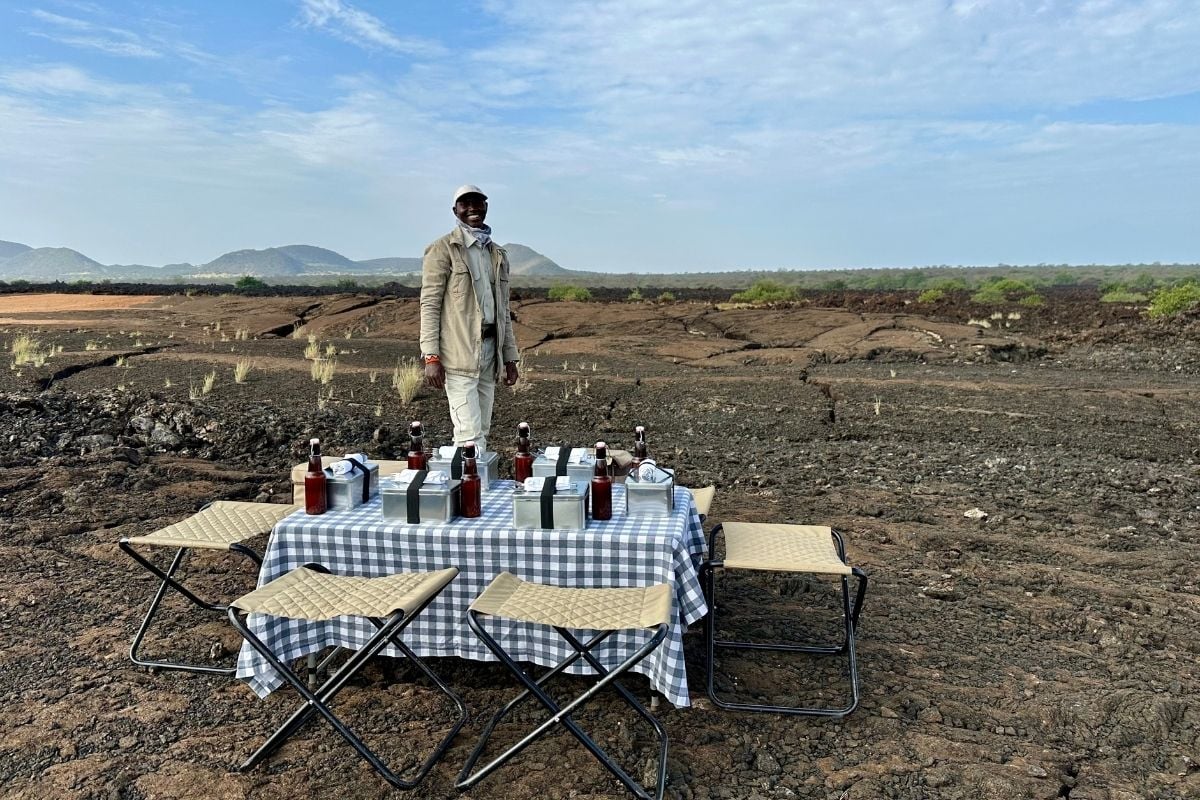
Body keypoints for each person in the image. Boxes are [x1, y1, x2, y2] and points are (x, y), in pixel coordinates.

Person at [419, 184, 520, 455]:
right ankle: (470, 493)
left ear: (486, 207)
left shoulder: (497, 254)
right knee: (469, 436)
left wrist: (510, 358)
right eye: (466, 204)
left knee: (482, 430)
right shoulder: (443, 249)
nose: (473, 208)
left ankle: (476, 488)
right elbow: (429, 305)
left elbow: (503, 312)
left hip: (490, 354)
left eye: (478, 202)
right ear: (456, 211)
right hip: (458, 355)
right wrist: (431, 356)